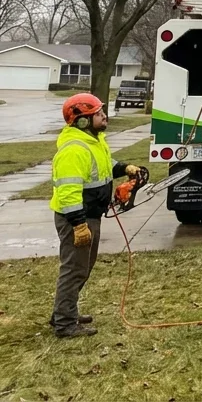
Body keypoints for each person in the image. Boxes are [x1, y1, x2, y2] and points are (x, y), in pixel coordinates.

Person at [49, 93, 147, 338]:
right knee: (75, 269)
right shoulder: (74, 150)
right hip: (77, 219)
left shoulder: (94, 141)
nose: (104, 116)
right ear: (82, 120)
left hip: (90, 216)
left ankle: (64, 311)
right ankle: (65, 323)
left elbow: (104, 165)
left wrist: (124, 168)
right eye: (98, 114)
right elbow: (68, 192)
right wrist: (78, 224)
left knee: (82, 267)